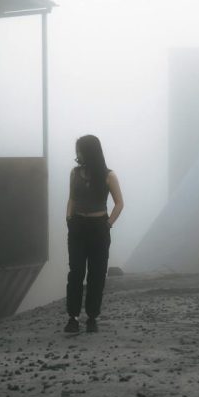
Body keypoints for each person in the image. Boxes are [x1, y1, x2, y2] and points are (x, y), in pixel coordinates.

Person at [65, 134, 124, 333]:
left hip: (99, 227)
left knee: (97, 273)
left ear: (89, 152)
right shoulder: (74, 173)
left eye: (79, 150)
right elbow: (72, 199)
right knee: (76, 272)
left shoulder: (108, 175)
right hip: (78, 226)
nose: (77, 154)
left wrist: (108, 224)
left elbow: (119, 203)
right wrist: (69, 219)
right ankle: (72, 317)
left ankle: (92, 317)